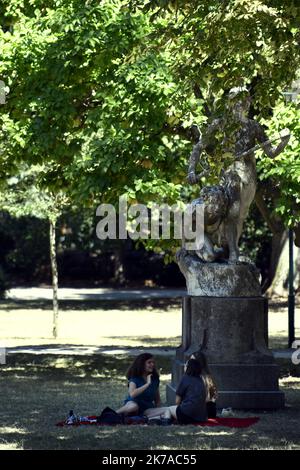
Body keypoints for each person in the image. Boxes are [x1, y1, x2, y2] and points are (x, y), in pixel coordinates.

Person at [116, 353, 170, 418]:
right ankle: (114, 414)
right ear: (142, 364)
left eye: (153, 362)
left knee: (167, 411)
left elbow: (157, 400)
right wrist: (147, 384)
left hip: (147, 408)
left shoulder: (155, 379)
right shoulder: (135, 378)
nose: (152, 364)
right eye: (149, 362)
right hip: (133, 404)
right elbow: (132, 394)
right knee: (133, 407)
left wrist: (158, 410)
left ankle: (141, 418)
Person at [164, 358, 207, 425]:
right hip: (201, 417)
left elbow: (177, 401)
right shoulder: (201, 380)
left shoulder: (185, 378)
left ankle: (165, 423)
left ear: (188, 367)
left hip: (186, 414)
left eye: (185, 364)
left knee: (168, 409)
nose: (184, 366)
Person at [190, 351, 218, 418]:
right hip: (211, 411)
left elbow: (207, 399)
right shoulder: (208, 376)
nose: (189, 363)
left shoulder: (201, 378)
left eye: (192, 361)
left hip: (204, 411)